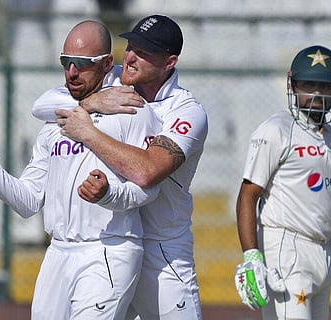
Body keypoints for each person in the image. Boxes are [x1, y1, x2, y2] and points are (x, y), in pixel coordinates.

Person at [0, 20, 161, 320]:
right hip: (58, 252)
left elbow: (149, 186)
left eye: (82, 64)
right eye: (66, 62)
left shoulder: (131, 108)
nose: (71, 72)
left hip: (108, 250)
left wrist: (109, 195)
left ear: (108, 62)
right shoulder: (55, 123)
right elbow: (28, 202)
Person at [45, 15, 208, 320]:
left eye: (144, 52)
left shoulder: (187, 110)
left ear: (169, 62)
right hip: (112, 244)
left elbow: (147, 171)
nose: (131, 57)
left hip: (163, 253)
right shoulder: (115, 80)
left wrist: (88, 131)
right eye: (131, 46)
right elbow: (42, 104)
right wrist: (91, 103)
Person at [234, 45, 331, 320]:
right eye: (308, 85)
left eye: (325, 86)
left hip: (322, 251)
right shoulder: (276, 129)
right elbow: (248, 194)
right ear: (293, 86)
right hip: (285, 248)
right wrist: (251, 257)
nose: (317, 93)